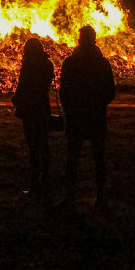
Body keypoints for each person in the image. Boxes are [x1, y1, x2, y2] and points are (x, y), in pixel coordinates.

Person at [59, 25, 116, 211]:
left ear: (80, 40)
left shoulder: (71, 63)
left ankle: (70, 198)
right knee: (98, 158)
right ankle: (101, 198)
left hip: (77, 117)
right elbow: (110, 91)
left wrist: (70, 110)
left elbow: (64, 92)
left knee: (73, 159)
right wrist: (98, 105)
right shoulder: (103, 63)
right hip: (96, 118)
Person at [12, 38, 54, 200]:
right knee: (43, 143)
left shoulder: (29, 65)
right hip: (43, 108)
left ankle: (36, 182)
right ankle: (46, 178)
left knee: (33, 146)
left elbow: (23, 87)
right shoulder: (47, 64)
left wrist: (16, 100)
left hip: (30, 110)